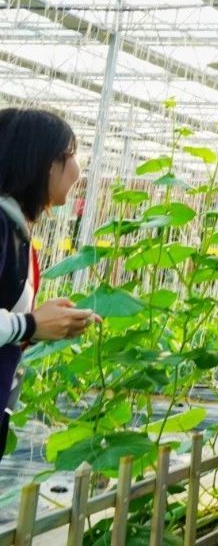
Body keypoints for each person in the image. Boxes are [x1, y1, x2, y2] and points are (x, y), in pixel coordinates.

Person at [0, 108, 98, 457]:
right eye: (68, 155)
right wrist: (31, 323)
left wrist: (38, 325)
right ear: (39, 162)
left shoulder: (15, 229)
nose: (77, 169)